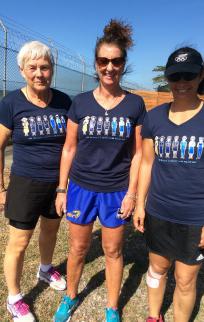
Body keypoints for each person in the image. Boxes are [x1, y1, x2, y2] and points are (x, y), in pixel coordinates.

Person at [53, 19, 146, 322]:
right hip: (81, 188)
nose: (109, 67)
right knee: (78, 249)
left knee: (113, 251)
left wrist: (131, 194)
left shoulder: (134, 104)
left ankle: (112, 307)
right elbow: (69, 148)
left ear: (123, 64)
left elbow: (137, 154)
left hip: (116, 191)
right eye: (103, 61)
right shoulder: (79, 103)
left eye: (116, 61)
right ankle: (70, 297)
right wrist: (62, 188)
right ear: (95, 63)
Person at [0, 41, 72, 322]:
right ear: (22, 71)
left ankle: (45, 269)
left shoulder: (65, 102)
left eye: (44, 67)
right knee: (18, 242)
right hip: (25, 184)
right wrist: (1, 187)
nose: (39, 73)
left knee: (50, 232)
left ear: (51, 69)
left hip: (56, 185)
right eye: (33, 67)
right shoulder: (10, 103)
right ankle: (14, 298)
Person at [134, 47, 204, 322]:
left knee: (185, 280)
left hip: (194, 217)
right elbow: (147, 164)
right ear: (168, 78)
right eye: (176, 76)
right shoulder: (155, 117)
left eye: (189, 75)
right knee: (157, 268)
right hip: (159, 211)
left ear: (201, 76)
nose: (182, 82)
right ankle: (154, 316)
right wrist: (141, 204)